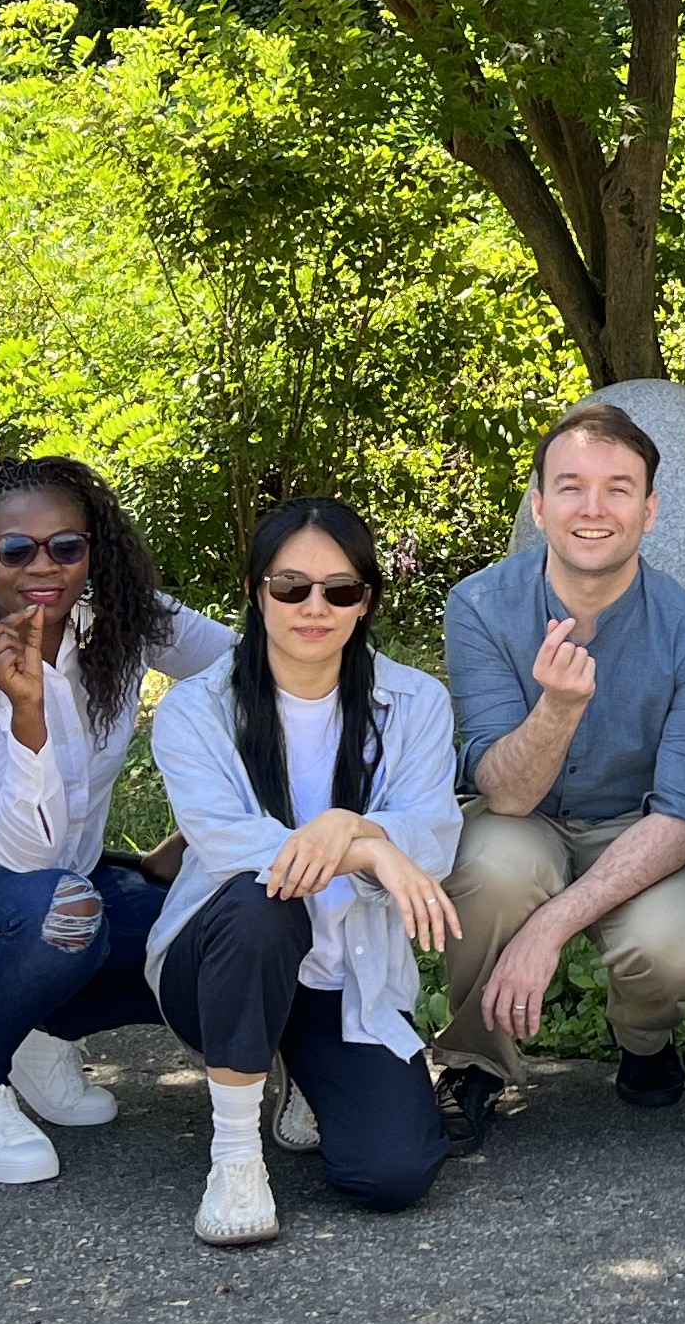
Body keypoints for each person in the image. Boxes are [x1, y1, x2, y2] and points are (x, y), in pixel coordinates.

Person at [0, 456, 229, 1188]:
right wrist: (25, 709)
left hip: (71, 891)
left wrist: (211, 825)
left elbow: (256, 667)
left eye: (67, 546)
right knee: (62, 908)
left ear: (92, 549)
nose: (45, 567)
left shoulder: (121, 620)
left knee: (204, 932)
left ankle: (38, 1028)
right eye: (17, 548)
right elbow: (22, 852)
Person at [143, 497, 465, 1247]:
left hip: (344, 975)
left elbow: (437, 838)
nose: (313, 607)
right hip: (218, 967)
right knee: (264, 904)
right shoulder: (197, 710)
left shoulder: (417, 703)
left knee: (394, 1175)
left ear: (366, 602)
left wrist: (352, 825)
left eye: (339, 590)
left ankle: (302, 1069)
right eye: (290, 587)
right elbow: (227, 844)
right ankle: (236, 1158)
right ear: (257, 593)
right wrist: (370, 848)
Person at [435, 402, 685, 1139]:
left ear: (650, 508)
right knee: (493, 867)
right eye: (570, 487)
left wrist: (549, 929)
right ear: (539, 506)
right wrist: (558, 708)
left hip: (636, 828)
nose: (593, 508)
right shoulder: (479, 605)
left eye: (618, 488)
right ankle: (475, 1061)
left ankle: (643, 1040)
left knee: (681, 940)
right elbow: (503, 790)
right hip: (521, 819)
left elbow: (679, 817)